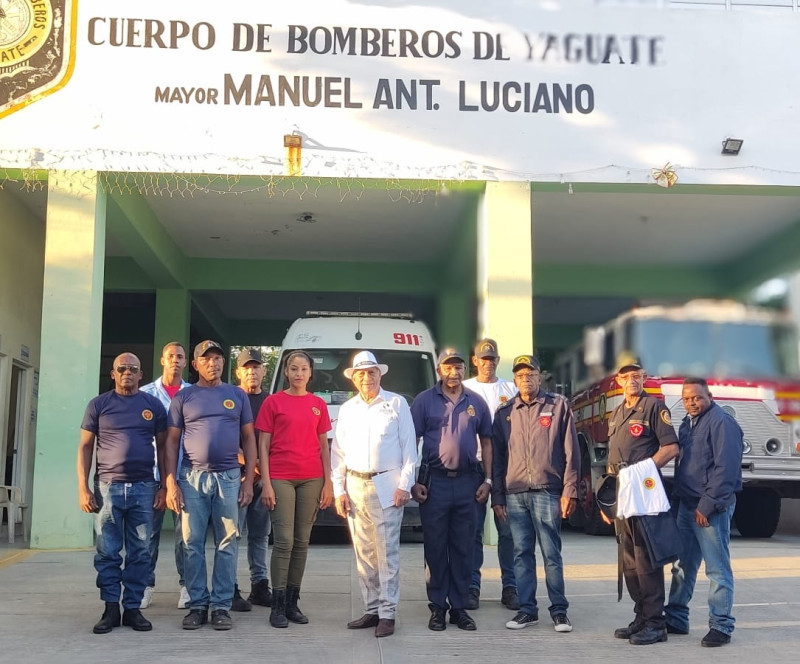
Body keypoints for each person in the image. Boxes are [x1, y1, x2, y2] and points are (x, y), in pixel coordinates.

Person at [165, 340, 257, 631]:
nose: (213, 363)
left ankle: (220, 606)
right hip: (191, 478)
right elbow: (170, 442)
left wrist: (249, 480)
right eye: (207, 359)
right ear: (195, 365)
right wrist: (170, 482)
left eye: (218, 358)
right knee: (191, 543)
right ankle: (196, 605)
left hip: (229, 478)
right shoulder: (184, 397)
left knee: (228, 542)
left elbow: (249, 439)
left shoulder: (236, 395)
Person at [77, 352, 167, 634]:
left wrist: (165, 485)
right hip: (108, 488)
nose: (127, 372)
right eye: (122, 368)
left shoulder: (152, 405)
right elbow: (85, 448)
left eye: (133, 369)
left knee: (141, 552)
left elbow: (164, 448)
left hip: (144, 487)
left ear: (141, 375)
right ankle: (110, 608)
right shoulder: (99, 405)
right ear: (113, 373)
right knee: (107, 551)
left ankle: (132, 609)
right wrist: (83, 488)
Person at [332, 351, 418, 638]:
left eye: (371, 372)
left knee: (386, 553)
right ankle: (371, 608)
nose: (366, 378)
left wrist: (405, 485)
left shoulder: (396, 403)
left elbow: (410, 449)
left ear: (380, 375)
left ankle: (387, 613)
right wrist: (338, 489)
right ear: (353, 378)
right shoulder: (348, 409)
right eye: (361, 373)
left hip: (387, 485)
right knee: (364, 552)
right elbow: (338, 454)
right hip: (355, 485)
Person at [491, 355, 579, 633]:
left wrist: (570, 490)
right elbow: (498, 459)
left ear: (540, 377)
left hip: (547, 491)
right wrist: (498, 497)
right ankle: (527, 610)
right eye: (520, 376)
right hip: (515, 493)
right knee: (521, 554)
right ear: (514, 380)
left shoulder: (558, 406)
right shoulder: (505, 412)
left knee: (551, 553)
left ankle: (559, 611)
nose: (525, 380)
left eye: (530, 374)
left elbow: (571, 452)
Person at [410, 348, 492, 632]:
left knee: (463, 546)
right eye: (448, 367)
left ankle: (459, 608)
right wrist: (414, 480)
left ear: (463, 370)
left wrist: (488, 481)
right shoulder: (424, 401)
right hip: (435, 484)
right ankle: (437, 607)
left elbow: (488, 442)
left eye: (458, 367)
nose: (453, 372)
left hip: (469, 483)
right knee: (435, 547)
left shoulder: (476, 402)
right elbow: (411, 441)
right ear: (439, 370)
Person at [256, 350, 334, 628]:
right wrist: (266, 482)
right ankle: (276, 605)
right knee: (284, 540)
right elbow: (263, 446)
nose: (299, 373)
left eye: (303, 369)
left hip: (312, 477)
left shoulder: (318, 404)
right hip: (281, 477)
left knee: (302, 541)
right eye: (293, 368)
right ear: (286, 372)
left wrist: (329, 482)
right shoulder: (273, 402)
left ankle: (292, 603)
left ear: (310, 373)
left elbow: (324, 446)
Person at [605, 356, 679, 645]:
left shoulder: (653, 407)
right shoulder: (617, 411)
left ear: (644, 377)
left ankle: (655, 623)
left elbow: (670, 448)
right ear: (619, 380)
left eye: (636, 375)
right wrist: (609, 499)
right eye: (626, 375)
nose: (631, 380)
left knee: (645, 558)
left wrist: (642, 472)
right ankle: (641, 616)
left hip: (643, 492)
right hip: (621, 494)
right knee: (629, 559)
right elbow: (613, 460)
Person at [665, 378, 743, 648]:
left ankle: (721, 625)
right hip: (687, 505)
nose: (692, 403)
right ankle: (675, 618)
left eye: (697, 398)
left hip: (710, 509)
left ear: (709, 395)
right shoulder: (688, 423)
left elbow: (727, 469)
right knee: (681, 566)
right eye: (686, 399)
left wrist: (706, 505)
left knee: (717, 569)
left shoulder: (722, 422)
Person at [462, 338, 519, 611]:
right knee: (473, 531)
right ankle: (472, 586)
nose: (488, 363)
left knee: (507, 532)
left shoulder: (511, 388)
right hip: (473, 470)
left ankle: (510, 587)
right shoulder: (465, 389)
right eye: (483, 359)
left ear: (498, 360)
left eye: (492, 358)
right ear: (475, 361)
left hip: (505, 471)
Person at [140, 341, 191, 610]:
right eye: (170, 356)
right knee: (148, 534)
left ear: (185, 362)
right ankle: (145, 586)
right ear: (162, 360)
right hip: (151, 476)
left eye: (180, 356)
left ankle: (186, 587)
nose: (175, 360)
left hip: (186, 475)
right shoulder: (145, 394)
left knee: (186, 535)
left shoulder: (194, 394)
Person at [231, 348, 273, 612]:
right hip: (236, 476)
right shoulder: (230, 398)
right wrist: (251, 462)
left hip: (264, 479)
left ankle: (259, 585)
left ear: (264, 371)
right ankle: (230, 588)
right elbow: (222, 437)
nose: (252, 372)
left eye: (256, 367)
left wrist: (262, 468)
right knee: (233, 534)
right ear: (238, 372)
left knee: (260, 535)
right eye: (247, 367)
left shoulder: (270, 401)